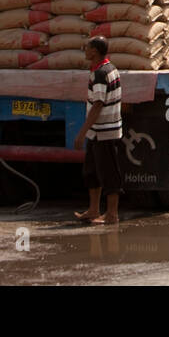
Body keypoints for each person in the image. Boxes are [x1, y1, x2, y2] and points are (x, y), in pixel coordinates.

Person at [74, 37, 123, 225]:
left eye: (87, 47)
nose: (85, 50)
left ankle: (112, 214)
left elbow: (98, 104)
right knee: (91, 171)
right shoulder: (105, 69)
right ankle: (93, 210)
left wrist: (81, 132)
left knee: (109, 173)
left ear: (94, 51)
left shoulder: (102, 73)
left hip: (105, 131)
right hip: (96, 132)